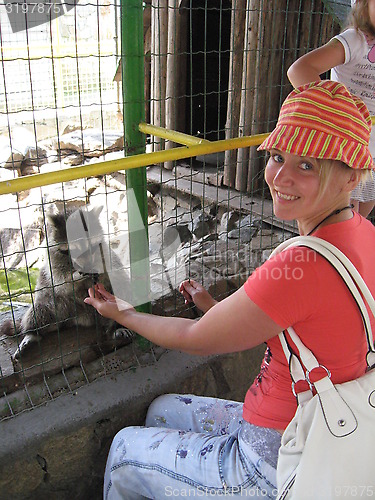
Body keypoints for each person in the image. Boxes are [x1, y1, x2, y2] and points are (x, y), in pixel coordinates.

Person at [84, 80, 375, 499]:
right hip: (314, 418)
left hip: (277, 457)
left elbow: (194, 339)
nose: (281, 176)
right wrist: (213, 305)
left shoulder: (304, 262)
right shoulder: (361, 233)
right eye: (277, 157)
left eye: (307, 165)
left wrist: (124, 314)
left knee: (126, 448)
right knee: (161, 411)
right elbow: (304, 325)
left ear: (350, 177)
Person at [287, 0, 375, 218]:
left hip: (372, 153)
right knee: (342, 219)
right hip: (348, 151)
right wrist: (338, 114)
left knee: (358, 223)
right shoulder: (355, 40)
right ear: (364, 5)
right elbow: (299, 70)